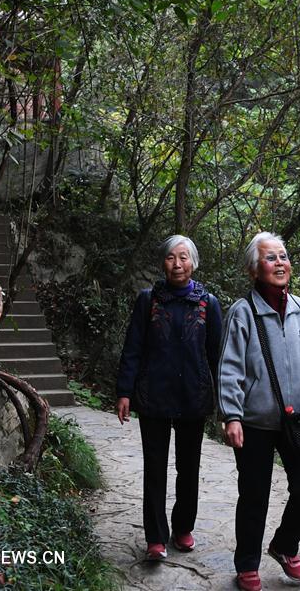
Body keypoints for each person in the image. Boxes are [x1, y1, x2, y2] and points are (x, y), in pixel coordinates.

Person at [218, 232, 300, 591]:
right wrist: (232, 415)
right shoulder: (243, 312)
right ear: (254, 269)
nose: (280, 263)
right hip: (255, 421)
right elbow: (230, 368)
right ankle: (247, 563)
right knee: (255, 494)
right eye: (271, 258)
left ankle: (284, 545)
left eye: (283, 256)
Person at [115, 235, 223, 561]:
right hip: (153, 397)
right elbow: (133, 348)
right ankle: (156, 537)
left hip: (193, 396)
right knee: (155, 469)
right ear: (163, 262)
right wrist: (124, 391)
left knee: (189, 469)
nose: (177, 264)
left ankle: (183, 528)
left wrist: (226, 402)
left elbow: (217, 356)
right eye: (171, 258)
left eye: (184, 258)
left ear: (193, 262)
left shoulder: (209, 303)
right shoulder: (149, 300)